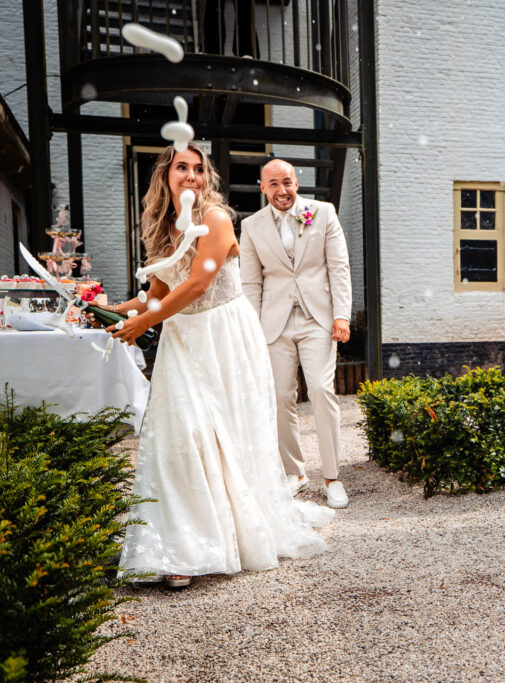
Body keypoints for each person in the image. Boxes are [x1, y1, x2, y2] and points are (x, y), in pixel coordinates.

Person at [108, 143, 334, 588]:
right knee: (179, 436)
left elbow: (197, 283)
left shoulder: (214, 218)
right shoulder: (161, 228)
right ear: (165, 176)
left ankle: (218, 534)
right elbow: (156, 293)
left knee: (223, 433)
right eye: (181, 168)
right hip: (181, 338)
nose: (190, 176)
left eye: (198, 169)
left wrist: (147, 322)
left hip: (222, 336)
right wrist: (111, 311)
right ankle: (181, 544)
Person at [239, 159, 353, 509]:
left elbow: (338, 266)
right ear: (262, 187)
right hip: (273, 323)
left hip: (317, 319)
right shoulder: (251, 225)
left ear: (296, 182)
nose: (281, 190)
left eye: (286, 182)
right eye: (273, 184)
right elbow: (250, 281)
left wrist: (342, 316)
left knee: (320, 389)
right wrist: (252, 330)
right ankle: (295, 472)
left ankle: (332, 477)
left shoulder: (323, 213)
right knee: (279, 397)